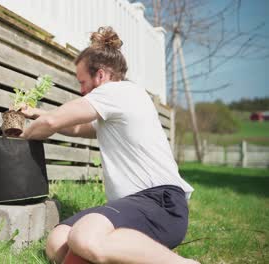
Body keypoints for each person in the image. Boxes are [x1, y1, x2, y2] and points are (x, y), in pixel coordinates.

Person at [19, 26, 199, 264]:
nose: (81, 90)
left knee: (84, 238)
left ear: (101, 75)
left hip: (160, 203)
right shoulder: (116, 107)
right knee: (57, 242)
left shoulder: (117, 92)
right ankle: (141, 253)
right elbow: (75, 127)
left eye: (82, 82)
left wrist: (19, 138)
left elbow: (53, 122)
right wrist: (36, 113)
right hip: (134, 207)